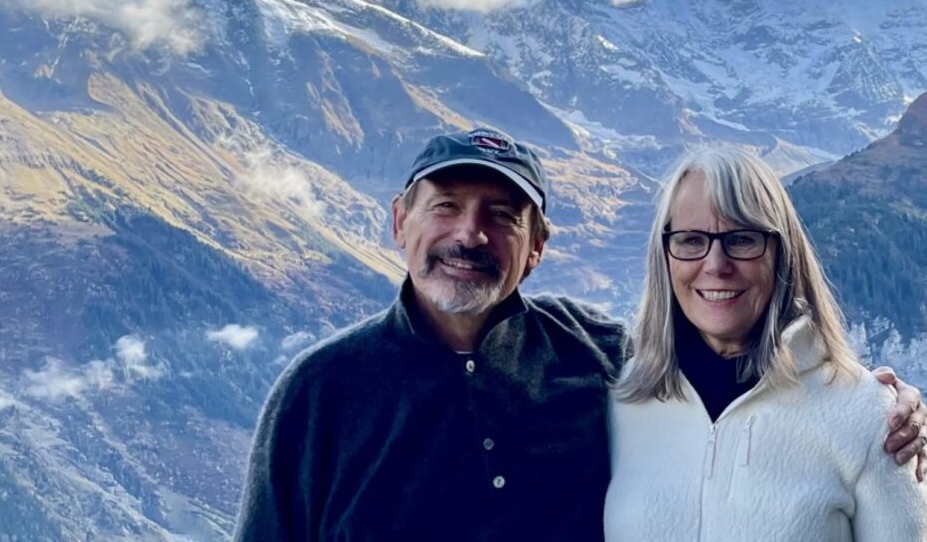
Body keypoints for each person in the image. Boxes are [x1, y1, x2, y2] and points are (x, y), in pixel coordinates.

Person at [234, 128, 925, 542]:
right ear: (399, 222)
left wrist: (881, 404)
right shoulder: (319, 395)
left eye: (502, 215)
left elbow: (730, 365)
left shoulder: (601, 360)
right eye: (445, 206)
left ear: (536, 246)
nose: (470, 234)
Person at [605, 146, 927, 540]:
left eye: (742, 239)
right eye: (691, 240)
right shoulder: (623, 400)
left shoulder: (868, 415)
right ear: (665, 256)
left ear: (783, 254)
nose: (716, 265)